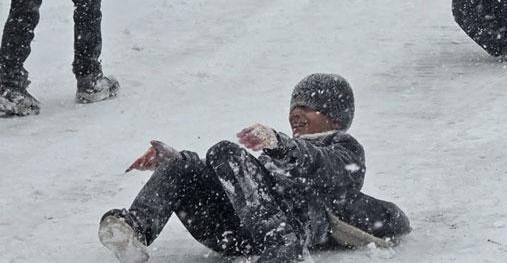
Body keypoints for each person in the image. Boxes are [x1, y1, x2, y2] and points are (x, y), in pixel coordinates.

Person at [98, 73, 411, 263]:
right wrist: (176, 163)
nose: (296, 114)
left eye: (308, 107)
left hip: (287, 231)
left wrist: (283, 144)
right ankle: (133, 231)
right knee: (185, 166)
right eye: (293, 107)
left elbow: (326, 170)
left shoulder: (342, 147)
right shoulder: (276, 153)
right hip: (232, 231)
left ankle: (284, 247)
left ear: (335, 118)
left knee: (223, 151)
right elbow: (239, 187)